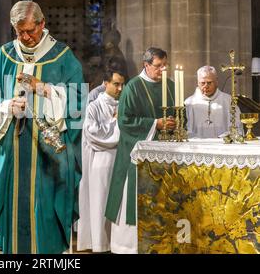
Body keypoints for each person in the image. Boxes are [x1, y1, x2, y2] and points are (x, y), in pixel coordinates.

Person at [0, 0, 84, 254]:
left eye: (30, 30)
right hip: (13, 152)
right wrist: (7, 107)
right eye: (20, 32)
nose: (25, 37)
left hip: (47, 157)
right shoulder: (3, 56)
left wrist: (47, 90)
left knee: (45, 212)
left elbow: (78, 103)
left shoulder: (63, 57)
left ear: (42, 24)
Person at [105, 47, 176, 254]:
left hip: (165, 154)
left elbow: (181, 115)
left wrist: (173, 123)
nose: (163, 70)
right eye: (158, 66)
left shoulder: (171, 86)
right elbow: (125, 121)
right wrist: (156, 124)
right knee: (134, 199)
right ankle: (128, 247)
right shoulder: (133, 87)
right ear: (146, 65)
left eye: (165, 65)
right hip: (135, 156)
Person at [77, 66, 125, 253]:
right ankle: (100, 244)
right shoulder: (94, 106)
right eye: (116, 84)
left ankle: (118, 243)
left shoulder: (123, 105)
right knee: (100, 205)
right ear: (105, 84)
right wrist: (115, 124)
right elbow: (94, 135)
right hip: (101, 163)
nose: (120, 88)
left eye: (122, 84)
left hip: (120, 161)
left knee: (119, 206)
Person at [184, 65, 242, 138]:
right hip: (197, 147)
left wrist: (221, 139)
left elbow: (236, 127)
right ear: (198, 83)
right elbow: (185, 130)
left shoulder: (228, 101)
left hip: (223, 146)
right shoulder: (189, 103)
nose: (206, 86)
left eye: (209, 82)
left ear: (216, 82)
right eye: (202, 83)